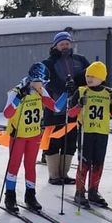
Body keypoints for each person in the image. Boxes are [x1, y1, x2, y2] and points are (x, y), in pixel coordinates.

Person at [1, 63, 58, 213]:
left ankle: (30, 196)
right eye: (42, 82)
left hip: (34, 135)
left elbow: (56, 107)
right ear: (34, 79)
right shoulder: (16, 91)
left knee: (30, 166)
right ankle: (10, 196)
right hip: (18, 135)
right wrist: (19, 97)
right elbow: (7, 114)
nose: (43, 86)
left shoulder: (40, 91)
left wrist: (67, 92)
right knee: (14, 166)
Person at [66, 61, 112, 208]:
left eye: (93, 76)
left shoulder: (108, 92)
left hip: (102, 133)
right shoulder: (82, 91)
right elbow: (70, 113)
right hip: (86, 133)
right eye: (88, 75)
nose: (89, 78)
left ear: (102, 78)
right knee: (84, 163)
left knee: (98, 163)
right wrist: (79, 105)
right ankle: (79, 192)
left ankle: (93, 191)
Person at [41, 31, 90, 185]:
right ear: (55, 46)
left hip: (75, 108)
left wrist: (77, 86)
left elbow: (89, 76)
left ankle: (64, 173)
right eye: (61, 44)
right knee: (54, 141)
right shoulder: (48, 63)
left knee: (70, 142)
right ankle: (54, 175)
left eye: (67, 43)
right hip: (55, 108)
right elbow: (48, 81)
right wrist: (64, 87)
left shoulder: (80, 60)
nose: (64, 46)